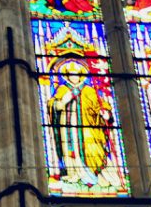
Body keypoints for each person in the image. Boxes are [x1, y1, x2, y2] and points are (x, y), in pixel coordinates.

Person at [47, 60, 123, 190]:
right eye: (71, 74)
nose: (74, 76)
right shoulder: (62, 89)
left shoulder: (89, 90)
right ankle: (74, 174)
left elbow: (101, 105)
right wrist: (63, 101)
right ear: (67, 75)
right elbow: (53, 104)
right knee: (69, 148)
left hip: (88, 126)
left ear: (81, 75)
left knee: (94, 150)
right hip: (67, 125)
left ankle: (101, 176)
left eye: (76, 74)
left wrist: (105, 113)